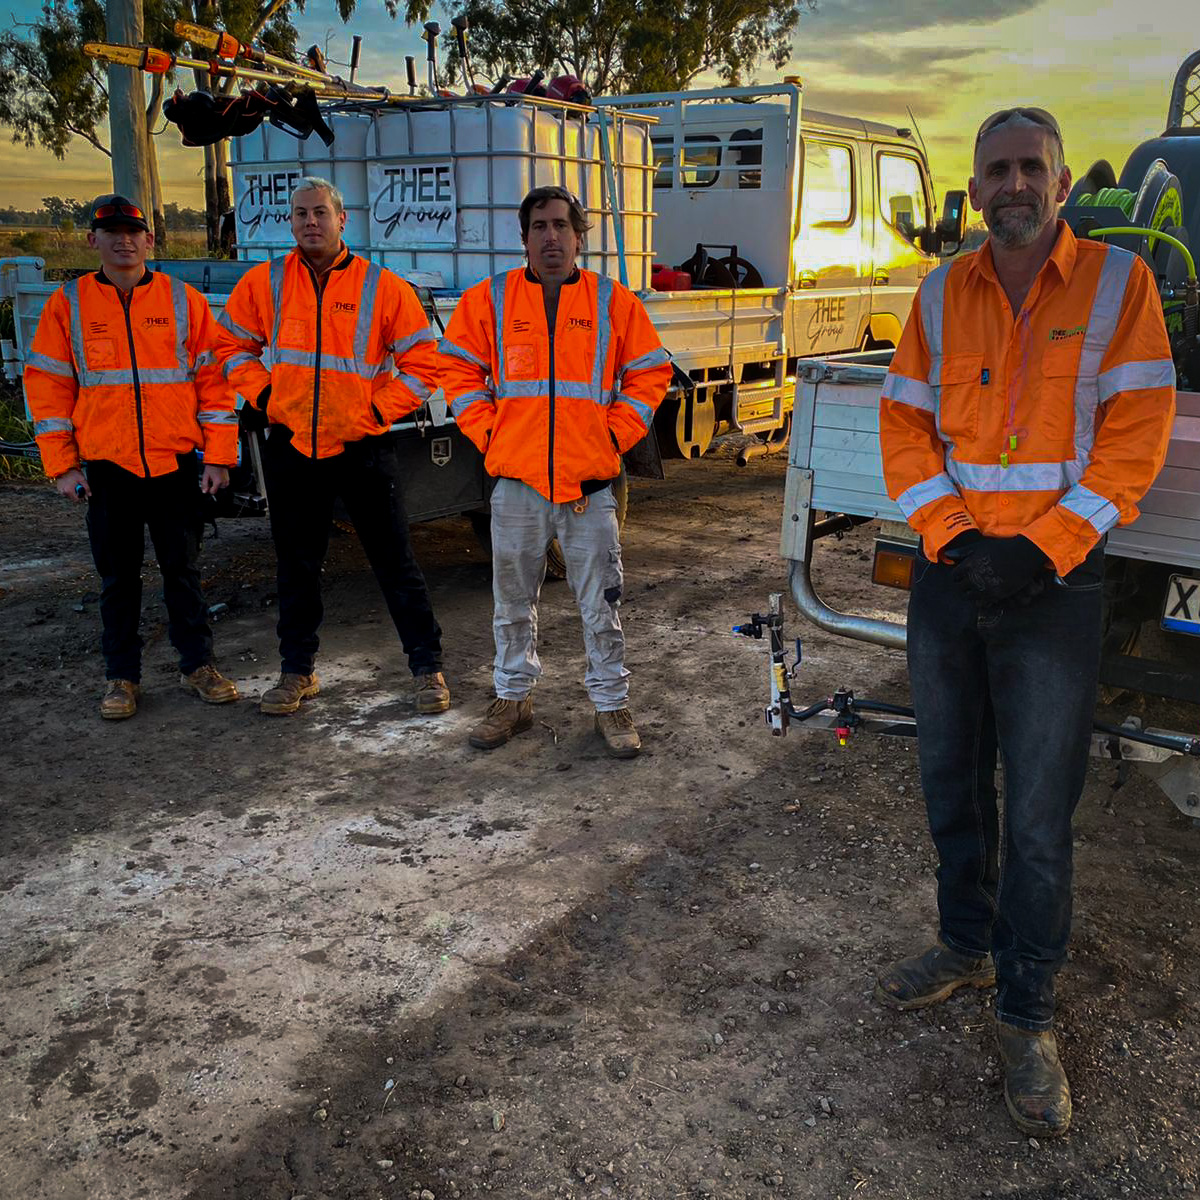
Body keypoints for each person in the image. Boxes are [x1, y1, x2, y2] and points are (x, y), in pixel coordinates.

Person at [878, 108, 1176, 1136]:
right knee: (949, 782)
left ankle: (1026, 1010)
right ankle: (966, 946)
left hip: (1056, 585)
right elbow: (906, 428)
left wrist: (1043, 546)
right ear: (975, 187)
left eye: (1030, 168)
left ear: (1059, 185)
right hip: (952, 574)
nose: (1012, 183)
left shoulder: (1117, 287)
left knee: (1040, 819)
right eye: (996, 168)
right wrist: (956, 537)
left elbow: (1134, 438)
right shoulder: (939, 292)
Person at [437, 186, 671, 758]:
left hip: (588, 487)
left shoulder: (613, 302)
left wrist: (611, 437)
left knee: (601, 603)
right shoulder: (489, 300)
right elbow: (457, 370)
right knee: (511, 600)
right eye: (539, 226)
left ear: (579, 236)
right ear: (524, 238)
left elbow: (649, 374)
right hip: (517, 483)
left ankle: (611, 705)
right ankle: (512, 699)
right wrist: (491, 435)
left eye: (561, 226)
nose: (550, 237)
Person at [214, 177, 448, 717]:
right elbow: (229, 347)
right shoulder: (266, 283)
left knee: (395, 561)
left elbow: (423, 364)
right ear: (290, 223)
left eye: (320, 212)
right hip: (293, 446)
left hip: (362, 445)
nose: (310, 222)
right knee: (296, 565)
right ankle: (297, 672)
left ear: (343, 220)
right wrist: (268, 394)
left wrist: (373, 411)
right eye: (300, 215)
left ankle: (426, 668)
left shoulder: (381, 287)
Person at [26, 194, 241, 721]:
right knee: (117, 580)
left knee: (183, 572)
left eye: (133, 231)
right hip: (107, 470)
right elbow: (49, 389)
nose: (124, 239)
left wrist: (218, 457)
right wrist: (64, 466)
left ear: (150, 239)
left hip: (172, 465)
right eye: (112, 231)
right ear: (92, 240)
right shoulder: (68, 305)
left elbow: (214, 384)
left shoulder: (182, 300)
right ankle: (121, 677)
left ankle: (198, 666)